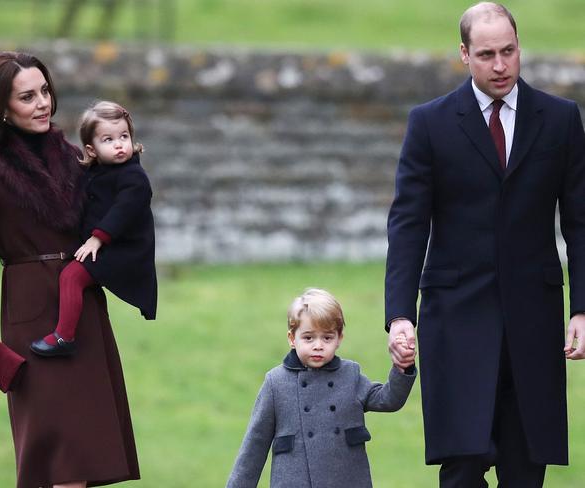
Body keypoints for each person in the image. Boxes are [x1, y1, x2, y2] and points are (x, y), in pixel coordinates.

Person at [385, 2, 585, 486]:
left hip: (533, 326)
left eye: (509, 52)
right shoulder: (429, 124)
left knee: (525, 471)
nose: (500, 65)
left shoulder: (559, 120)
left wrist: (582, 308)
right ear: (464, 54)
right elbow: (408, 224)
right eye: (487, 54)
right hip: (454, 321)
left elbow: (579, 223)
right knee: (462, 469)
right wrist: (398, 315)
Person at [0, 52, 140, 487]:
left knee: (86, 462)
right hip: (33, 323)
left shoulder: (76, 157)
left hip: (83, 314)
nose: (42, 103)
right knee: (61, 461)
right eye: (27, 96)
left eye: (45, 91)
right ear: (1, 107)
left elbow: (121, 206)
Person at [226, 288, 416, 488]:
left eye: (327, 338)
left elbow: (389, 399)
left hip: (347, 480)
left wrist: (402, 368)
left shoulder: (350, 374)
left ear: (339, 338)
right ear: (292, 338)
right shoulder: (276, 382)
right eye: (308, 338)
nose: (318, 345)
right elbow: (254, 445)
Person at [30, 100, 157, 357]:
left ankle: (64, 337)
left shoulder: (134, 177)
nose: (119, 144)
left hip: (124, 250)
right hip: (108, 245)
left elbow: (123, 211)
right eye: (108, 139)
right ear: (92, 149)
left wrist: (97, 239)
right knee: (70, 274)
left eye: (124, 136)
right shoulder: (97, 172)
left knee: (72, 277)